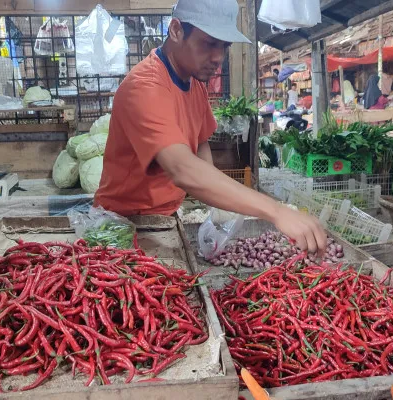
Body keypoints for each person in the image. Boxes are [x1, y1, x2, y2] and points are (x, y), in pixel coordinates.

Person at [94, 0, 327, 254]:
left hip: (165, 219)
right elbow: (182, 168)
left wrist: (216, 204)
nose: (218, 58)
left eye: (224, 47)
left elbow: (201, 143)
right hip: (123, 224)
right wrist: (276, 211)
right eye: (208, 44)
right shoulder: (145, 87)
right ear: (176, 30)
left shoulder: (194, 84)